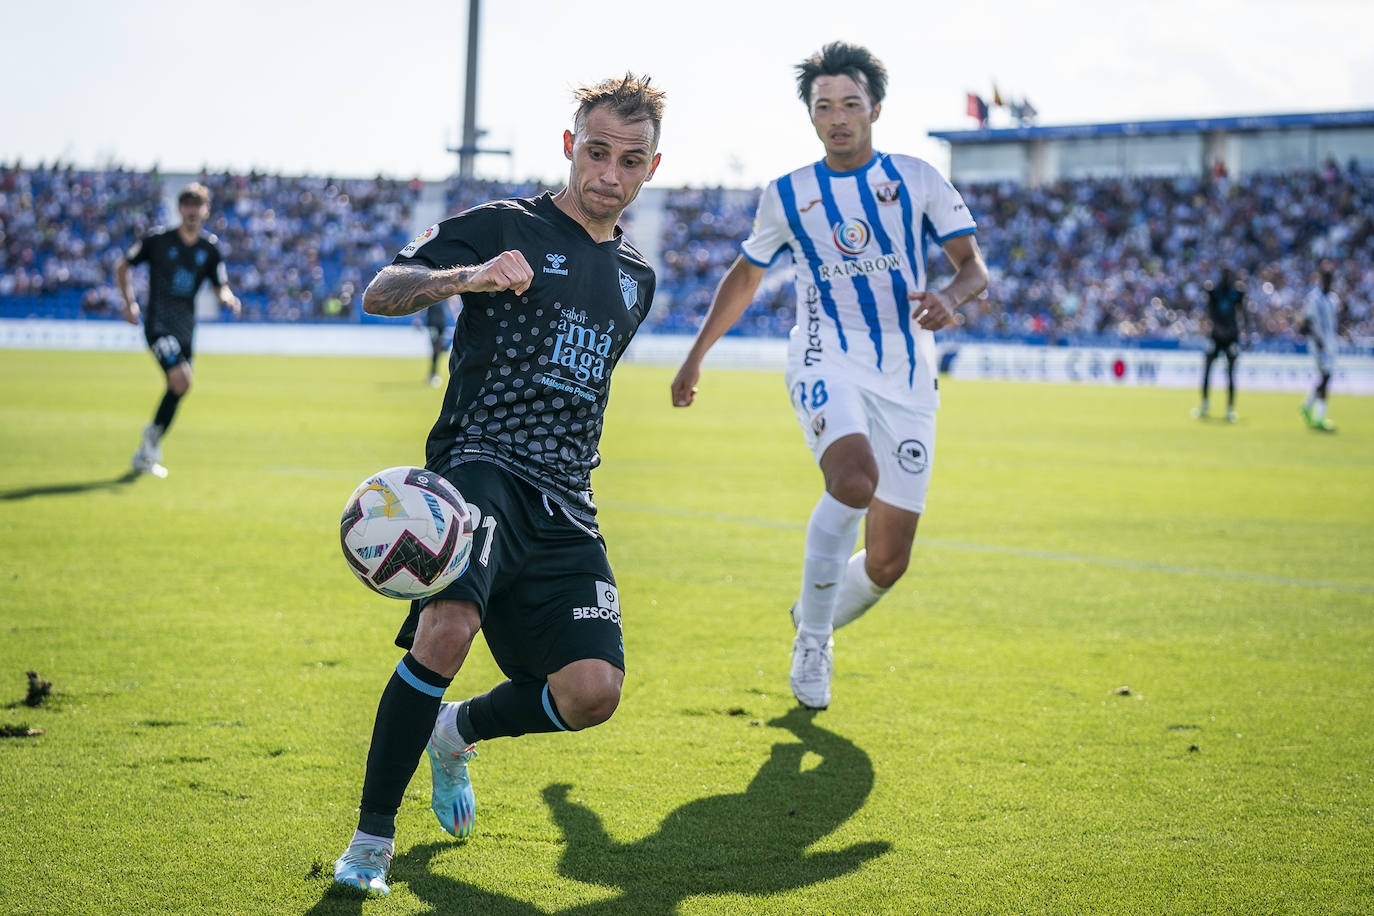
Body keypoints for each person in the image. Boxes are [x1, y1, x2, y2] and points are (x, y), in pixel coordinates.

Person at [332, 73, 664, 896]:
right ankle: (370, 844)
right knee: (446, 631)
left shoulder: (637, 277)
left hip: (566, 501)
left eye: (630, 160)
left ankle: (457, 732)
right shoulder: (503, 226)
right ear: (569, 147)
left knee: (592, 693)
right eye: (596, 152)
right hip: (479, 465)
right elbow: (380, 293)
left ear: (652, 169)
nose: (609, 174)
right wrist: (468, 278)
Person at [670, 42, 988, 711]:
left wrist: (950, 300)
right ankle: (814, 640)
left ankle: (810, 609)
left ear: (875, 107)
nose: (838, 116)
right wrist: (697, 354)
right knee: (852, 480)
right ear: (810, 116)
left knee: (887, 562)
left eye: (850, 103)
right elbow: (746, 276)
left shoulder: (917, 178)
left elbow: (972, 267)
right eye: (824, 106)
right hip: (823, 357)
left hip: (905, 375)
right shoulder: (786, 194)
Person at [116, 182, 240, 477]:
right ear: (179, 209)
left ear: (205, 210)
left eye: (197, 205)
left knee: (181, 386)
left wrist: (228, 297)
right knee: (182, 380)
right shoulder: (158, 240)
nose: (192, 211)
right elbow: (123, 265)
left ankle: (148, 445)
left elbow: (220, 284)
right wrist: (128, 302)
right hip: (158, 325)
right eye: (187, 205)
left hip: (186, 329)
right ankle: (151, 440)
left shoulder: (209, 248)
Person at [1192, 267, 1248, 422]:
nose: (1226, 278)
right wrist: (1217, 328)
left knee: (1230, 372)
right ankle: (1204, 404)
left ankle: (1230, 408)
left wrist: (1246, 336)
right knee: (1207, 368)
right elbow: (1210, 312)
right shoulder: (1214, 291)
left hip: (1231, 337)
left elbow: (1244, 314)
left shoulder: (1237, 292)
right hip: (1216, 336)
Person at [1300, 260, 1340, 432]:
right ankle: (1319, 416)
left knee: (1326, 378)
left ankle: (1308, 405)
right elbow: (1306, 324)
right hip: (1319, 345)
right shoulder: (1313, 298)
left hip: (1330, 344)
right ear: (1321, 278)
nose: (1328, 281)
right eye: (1326, 277)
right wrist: (1318, 341)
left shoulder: (1333, 299)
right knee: (1326, 377)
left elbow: (1334, 323)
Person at [421, 301, 451, 386]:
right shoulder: (431, 290)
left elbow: (453, 302)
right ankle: (433, 374)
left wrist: (457, 316)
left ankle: (433, 373)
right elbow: (422, 305)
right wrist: (418, 318)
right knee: (435, 348)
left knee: (439, 349)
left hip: (442, 322)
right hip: (432, 322)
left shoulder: (447, 289)